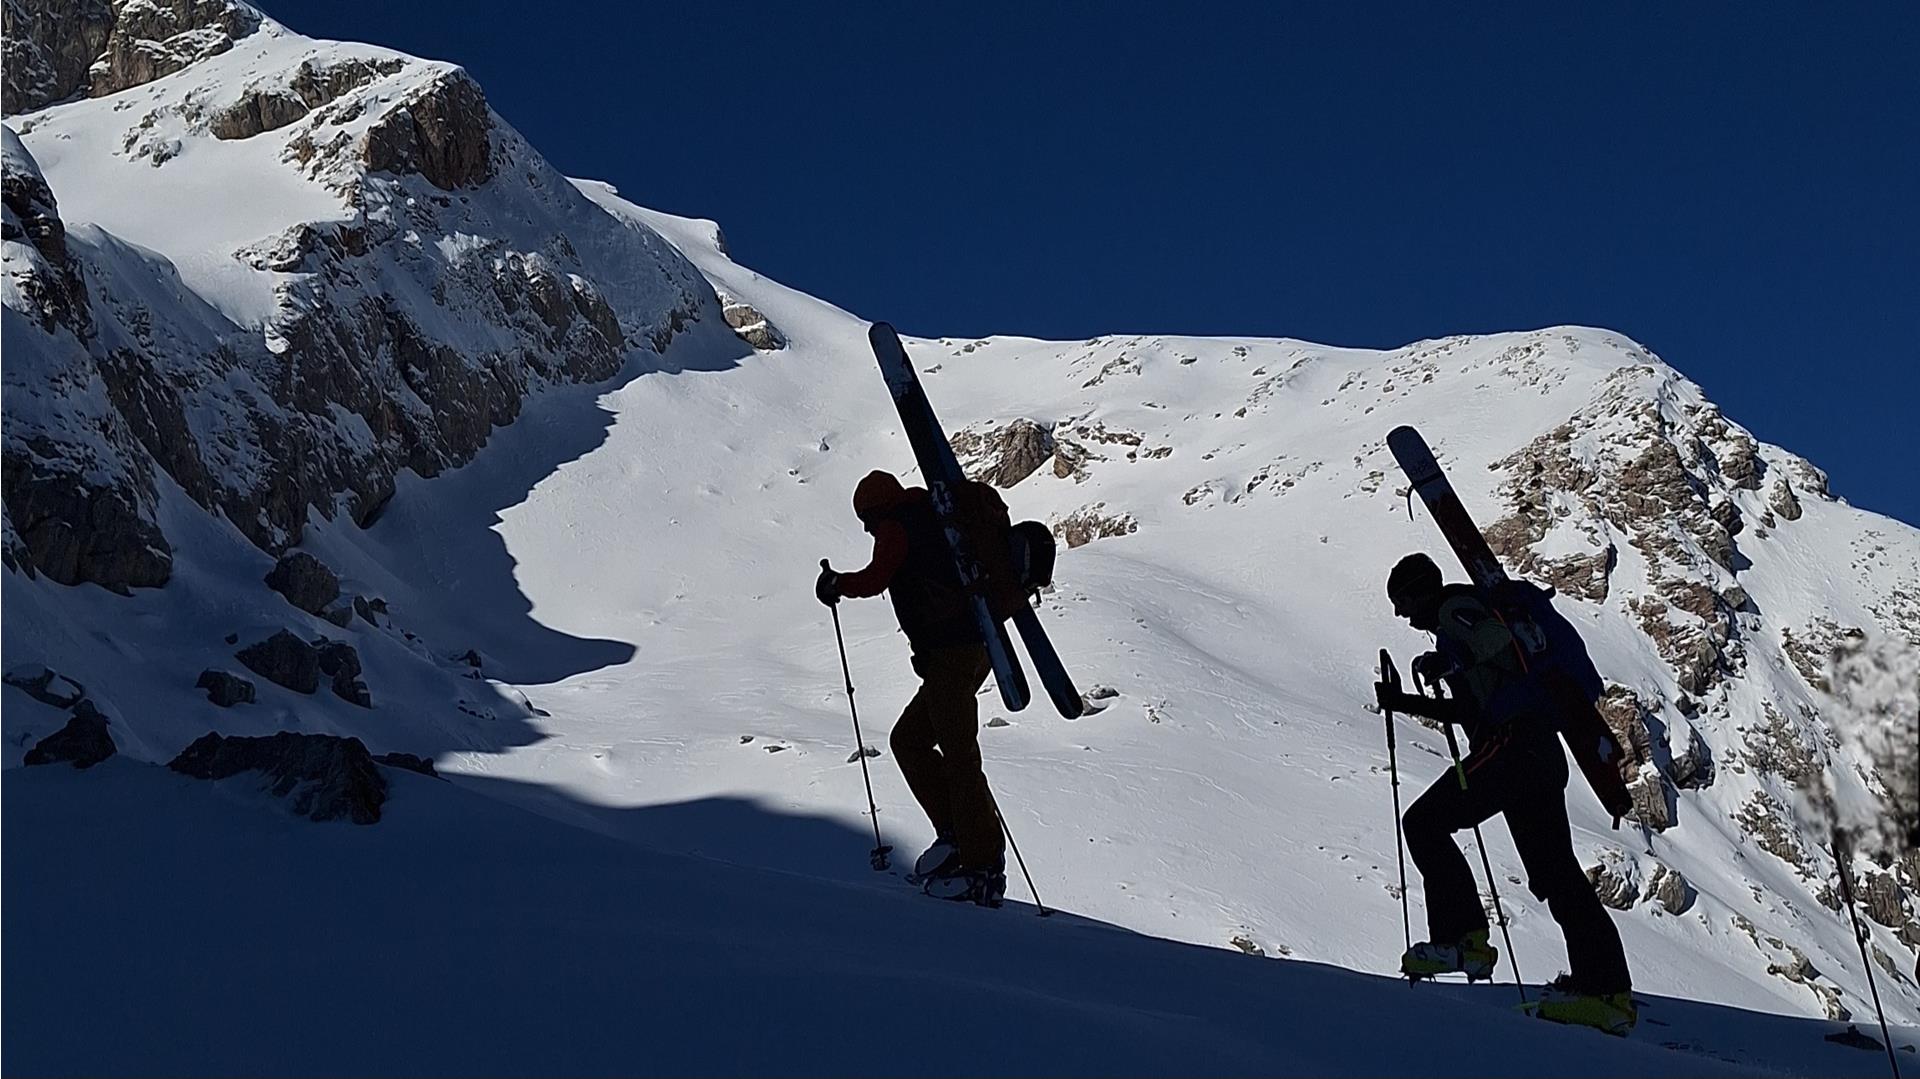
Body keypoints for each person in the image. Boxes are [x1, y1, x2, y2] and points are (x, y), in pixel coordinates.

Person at [1375, 552, 1636, 1034]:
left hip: (1513, 747)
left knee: (1424, 822)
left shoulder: (1454, 609)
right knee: (1557, 873)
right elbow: (1474, 707)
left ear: (1422, 590)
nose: (1401, 614)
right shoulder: (1457, 621)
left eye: (1403, 601)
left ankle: (1464, 941)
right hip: (1536, 753)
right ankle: (1607, 993)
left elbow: (1493, 640)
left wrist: (1451, 658)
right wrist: (1408, 699)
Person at [816, 470, 1007, 906]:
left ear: (876, 510)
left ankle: (982, 866)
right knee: (910, 741)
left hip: (949, 656)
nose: (868, 530)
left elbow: (876, 577)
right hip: (969, 651)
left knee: (959, 757)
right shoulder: (928, 513)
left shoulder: (897, 525)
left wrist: (837, 584)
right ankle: (958, 837)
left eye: (867, 521)